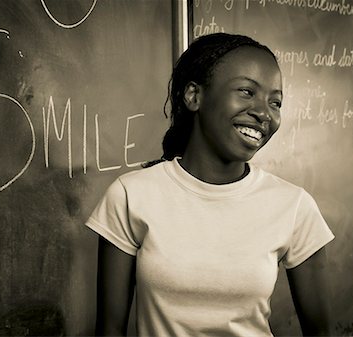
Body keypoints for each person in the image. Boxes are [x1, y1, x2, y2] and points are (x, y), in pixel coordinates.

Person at [85, 32, 334, 337]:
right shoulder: (130, 195)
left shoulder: (294, 206)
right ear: (194, 96)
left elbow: (322, 333)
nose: (263, 112)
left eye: (276, 102)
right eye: (246, 91)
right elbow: (109, 330)